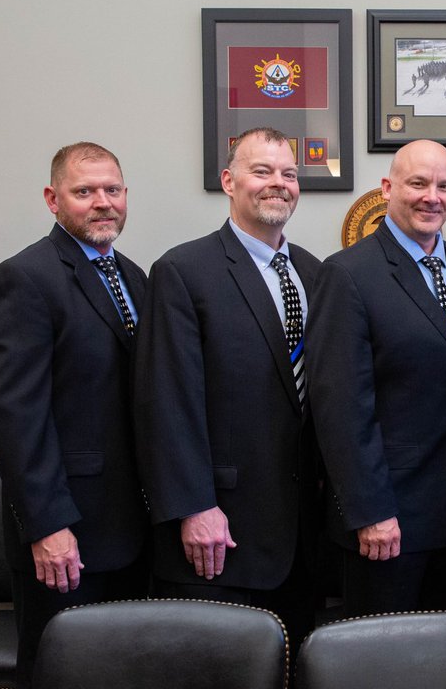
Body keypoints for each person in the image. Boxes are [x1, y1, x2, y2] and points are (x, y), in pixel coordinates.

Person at [0, 142, 149, 689]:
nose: (102, 203)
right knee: (59, 685)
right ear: (54, 200)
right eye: (85, 192)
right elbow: (15, 417)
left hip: (130, 530)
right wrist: (49, 525)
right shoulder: (24, 279)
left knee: (121, 682)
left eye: (112, 190)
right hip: (65, 535)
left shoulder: (133, 277)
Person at [134, 127, 321, 646]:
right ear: (228, 181)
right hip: (219, 533)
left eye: (288, 173)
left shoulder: (312, 272)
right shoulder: (183, 270)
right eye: (261, 171)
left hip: (301, 541)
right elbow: (165, 402)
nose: (278, 184)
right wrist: (194, 506)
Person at [307, 139, 446, 617]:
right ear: (388, 188)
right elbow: (341, 406)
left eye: (444, 186)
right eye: (418, 183)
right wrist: (370, 512)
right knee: (383, 671)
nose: (432, 196)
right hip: (389, 522)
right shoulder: (349, 274)